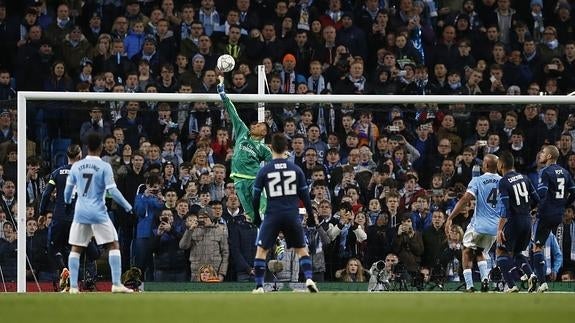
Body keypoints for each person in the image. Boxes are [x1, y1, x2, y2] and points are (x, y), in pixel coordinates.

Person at [63, 132, 134, 293]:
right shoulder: (104, 166)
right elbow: (113, 191)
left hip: (81, 212)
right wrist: (128, 206)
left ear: (86, 147)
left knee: (76, 248)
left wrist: (67, 202)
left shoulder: (76, 166)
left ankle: (73, 287)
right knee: (113, 245)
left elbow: (68, 192)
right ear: (101, 147)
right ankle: (116, 284)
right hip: (99, 212)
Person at [251, 133, 318, 293]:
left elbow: (255, 196)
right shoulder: (296, 169)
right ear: (287, 148)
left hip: (272, 214)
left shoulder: (264, 170)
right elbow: (305, 197)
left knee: (262, 251)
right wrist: (310, 216)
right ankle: (308, 278)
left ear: (271, 148)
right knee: (301, 249)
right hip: (291, 214)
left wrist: (255, 216)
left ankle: (259, 286)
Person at [216, 74, 272, 225]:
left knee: (263, 209)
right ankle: (269, 244)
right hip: (238, 180)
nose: (256, 125)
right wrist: (223, 94)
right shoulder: (242, 131)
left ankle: (276, 238)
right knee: (252, 217)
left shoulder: (264, 149)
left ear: (264, 133)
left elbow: (275, 164)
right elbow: (233, 112)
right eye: (255, 124)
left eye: (260, 125)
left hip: (254, 179)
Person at [446, 154, 501, 293]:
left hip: (479, 225)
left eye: (484, 164)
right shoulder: (502, 181)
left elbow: (465, 199)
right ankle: (484, 280)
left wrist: (450, 217)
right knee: (480, 251)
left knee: (466, 250)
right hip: (495, 227)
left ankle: (470, 286)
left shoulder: (477, 180)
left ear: (486, 166)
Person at [495, 151, 539, 293]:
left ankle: (511, 285)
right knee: (518, 252)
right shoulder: (525, 178)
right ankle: (532, 275)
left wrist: (500, 229)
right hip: (526, 220)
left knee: (500, 251)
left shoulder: (503, 181)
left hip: (513, 221)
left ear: (501, 164)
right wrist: (528, 211)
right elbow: (537, 199)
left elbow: (506, 208)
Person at [533, 145, 575, 292]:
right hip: (559, 214)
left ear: (549, 156)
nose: (540, 155)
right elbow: (573, 191)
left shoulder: (545, 172)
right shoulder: (565, 171)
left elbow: (542, 193)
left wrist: (531, 205)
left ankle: (541, 282)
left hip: (546, 214)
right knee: (545, 243)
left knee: (537, 247)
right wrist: (564, 204)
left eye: (543, 153)